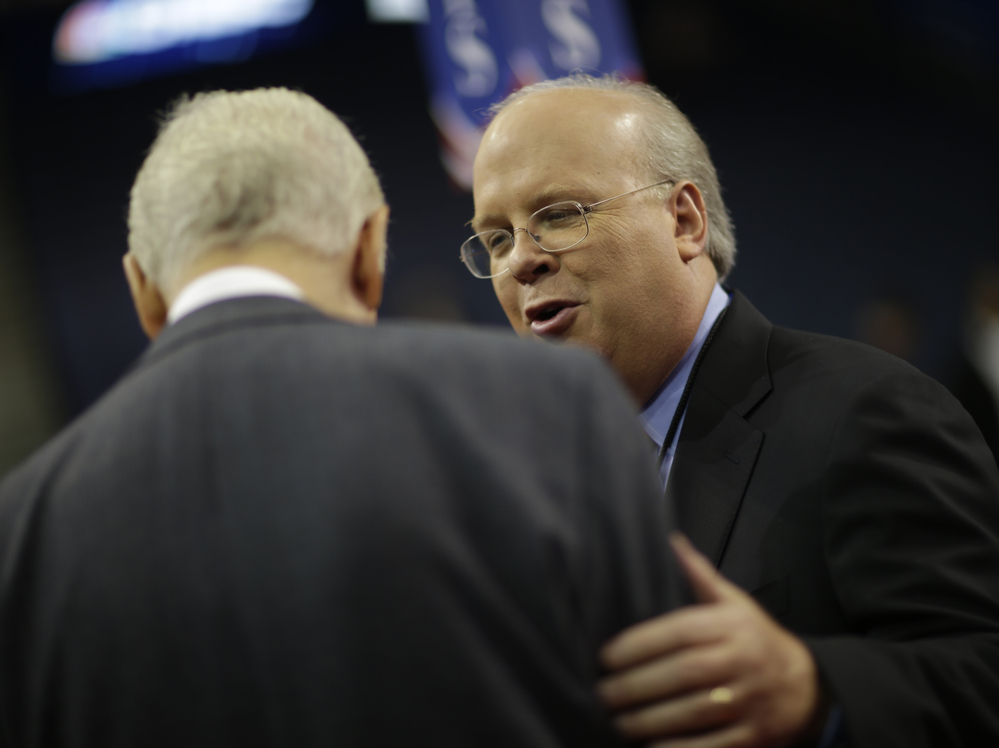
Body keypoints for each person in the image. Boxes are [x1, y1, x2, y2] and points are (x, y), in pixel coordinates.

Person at [0, 88, 692, 747]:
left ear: (142, 289)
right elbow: (671, 717)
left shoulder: (19, 531)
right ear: (368, 249)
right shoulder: (547, 404)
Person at [464, 73, 999, 748]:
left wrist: (814, 692)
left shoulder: (867, 412)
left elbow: (981, 671)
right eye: (496, 239)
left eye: (560, 215)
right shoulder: (532, 476)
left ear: (684, 221)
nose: (520, 261)